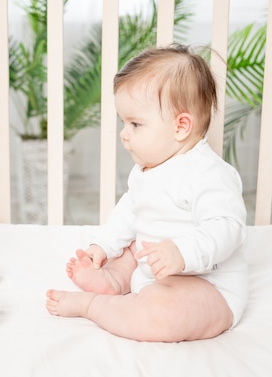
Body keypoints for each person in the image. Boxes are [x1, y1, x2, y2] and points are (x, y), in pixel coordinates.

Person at [45, 44, 248, 342]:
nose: (124, 134)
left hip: (206, 285)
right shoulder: (147, 170)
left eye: (136, 124)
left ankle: (94, 305)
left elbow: (227, 229)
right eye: (124, 123)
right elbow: (129, 213)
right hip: (152, 269)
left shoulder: (209, 174)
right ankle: (113, 279)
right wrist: (103, 247)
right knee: (133, 246)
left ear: (181, 126)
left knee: (162, 315)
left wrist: (183, 253)